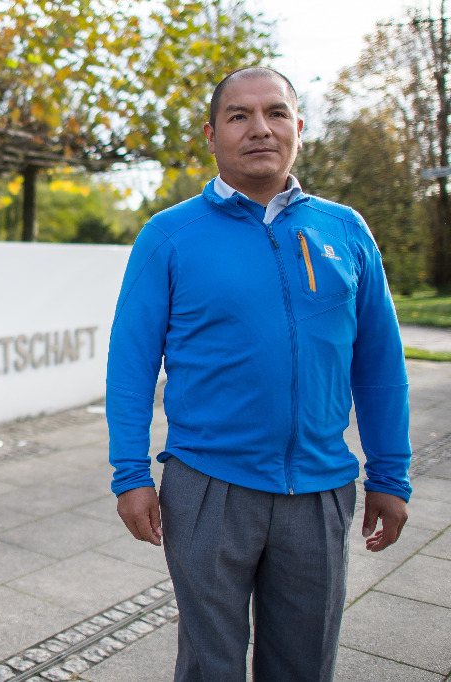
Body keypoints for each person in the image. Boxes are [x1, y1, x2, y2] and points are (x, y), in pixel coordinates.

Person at [105, 66, 412, 682]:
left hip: (320, 488)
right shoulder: (169, 236)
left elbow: (380, 363)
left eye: (275, 113)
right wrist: (130, 474)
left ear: (298, 127)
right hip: (208, 485)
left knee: (304, 664)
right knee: (210, 665)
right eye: (238, 115)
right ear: (211, 134)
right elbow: (130, 365)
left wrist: (391, 475)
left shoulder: (345, 230)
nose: (259, 129)